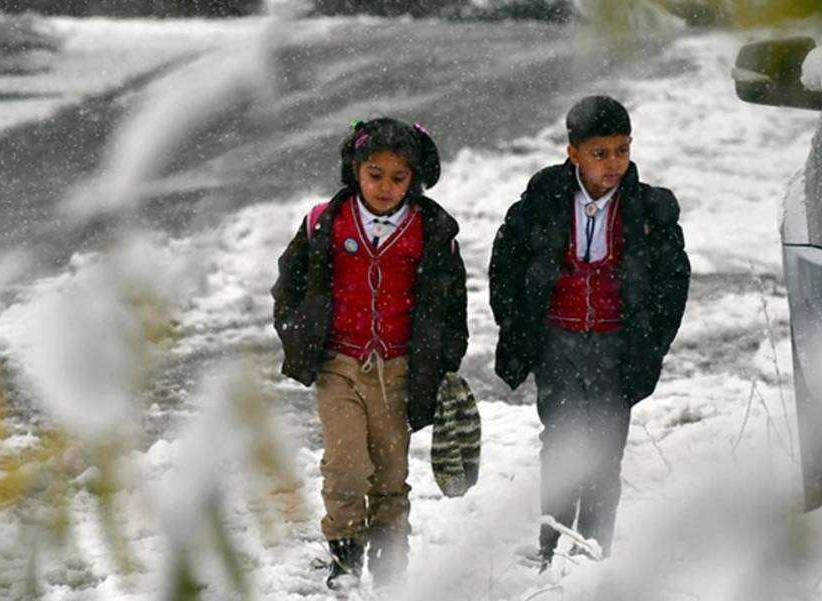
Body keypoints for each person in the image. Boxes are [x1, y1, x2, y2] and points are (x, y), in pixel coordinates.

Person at [488, 95, 690, 571]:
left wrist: (651, 345)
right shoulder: (543, 198)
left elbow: (672, 282)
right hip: (557, 344)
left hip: (617, 348)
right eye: (599, 153)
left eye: (622, 150)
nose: (613, 163)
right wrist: (516, 325)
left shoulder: (649, 208)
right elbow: (506, 263)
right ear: (573, 152)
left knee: (604, 452)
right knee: (560, 446)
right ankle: (550, 547)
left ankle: (592, 554)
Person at [271, 118, 468, 590]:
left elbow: (452, 305)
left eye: (399, 178)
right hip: (339, 366)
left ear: (415, 179)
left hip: (400, 371)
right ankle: (344, 559)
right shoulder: (325, 223)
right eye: (375, 174)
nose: (385, 187)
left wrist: (443, 362)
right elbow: (288, 286)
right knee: (345, 468)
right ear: (355, 170)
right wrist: (298, 334)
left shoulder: (431, 232)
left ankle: (390, 566)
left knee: (390, 474)